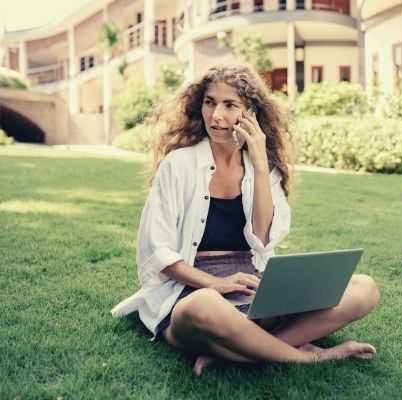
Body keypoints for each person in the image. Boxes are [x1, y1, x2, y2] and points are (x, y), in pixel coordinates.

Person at [111, 64, 380, 375]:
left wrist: (261, 166)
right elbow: (159, 252)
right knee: (203, 306)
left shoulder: (264, 169)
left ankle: (239, 349)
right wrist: (216, 283)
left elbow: (263, 238)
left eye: (230, 105)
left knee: (364, 289)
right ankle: (305, 356)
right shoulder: (178, 165)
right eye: (210, 102)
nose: (216, 116)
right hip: (194, 292)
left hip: (253, 289)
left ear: (250, 112)